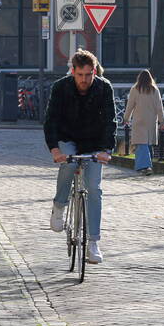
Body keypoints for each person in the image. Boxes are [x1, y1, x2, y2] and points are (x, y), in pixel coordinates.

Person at [45, 49, 116, 264]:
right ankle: (59, 206)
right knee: (67, 162)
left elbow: (110, 121)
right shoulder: (60, 88)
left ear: (94, 72)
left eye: (88, 75)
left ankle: (93, 242)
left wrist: (106, 150)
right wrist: (54, 149)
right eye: (80, 75)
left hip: (94, 142)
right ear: (72, 72)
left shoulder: (104, 88)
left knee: (94, 188)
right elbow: (51, 120)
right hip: (68, 137)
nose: (84, 80)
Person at [122, 70, 163, 176]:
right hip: (151, 120)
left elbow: (130, 106)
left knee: (142, 144)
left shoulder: (135, 89)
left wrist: (126, 118)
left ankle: (145, 166)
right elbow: (159, 107)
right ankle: (147, 165)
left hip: (139, 120)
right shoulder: (154, 90)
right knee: (147, 143)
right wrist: (162, 121)